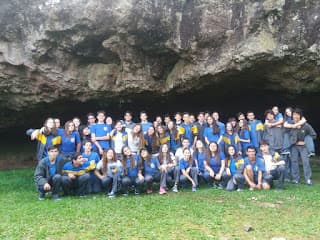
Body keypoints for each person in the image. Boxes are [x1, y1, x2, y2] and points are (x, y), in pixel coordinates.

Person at [287, 108, 317, 185]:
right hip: (293, 146)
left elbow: (314, 135)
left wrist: (305, 142)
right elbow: (285, 134)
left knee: (305, 162)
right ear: (292, 116)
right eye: (294, 114)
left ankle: (308, 179)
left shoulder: (306, 125)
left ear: (300, 116)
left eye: (297, 114)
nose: (295, 116)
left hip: (303, 147)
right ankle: (296, 179)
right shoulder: (290, 125)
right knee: (294, 162)